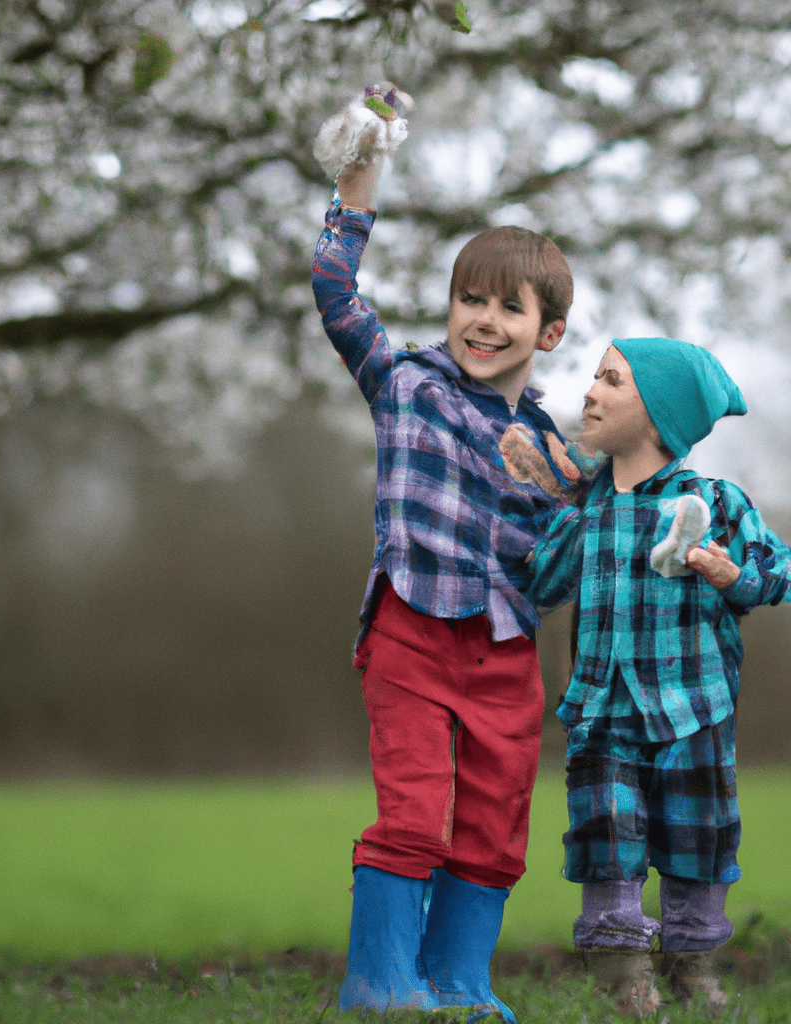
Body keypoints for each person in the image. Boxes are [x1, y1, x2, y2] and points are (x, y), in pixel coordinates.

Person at [311, 84, 590, 1020]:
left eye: (507, 308)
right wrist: (363, 169)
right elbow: (336, 294)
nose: (482, 320)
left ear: (546, 333)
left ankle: (458, 983)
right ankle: (381, 984)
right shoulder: (404, 384)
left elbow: (553, 574)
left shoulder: (555, 453)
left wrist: (571, 505)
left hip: (505, 652)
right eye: (469, 299)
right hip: (411, 628)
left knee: (496, 818)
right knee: (414, 807)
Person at [526, 337, 791, 1018]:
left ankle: (692, 965)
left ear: (659, 418)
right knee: (605, 837)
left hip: (693, 706)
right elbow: (542, 585)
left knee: (697, 836)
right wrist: (564, 508)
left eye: (612, 380)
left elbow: (782, 572)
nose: (589, 391)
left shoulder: (715, 502)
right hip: (602, 708)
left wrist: (737, 577)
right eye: (593, 376)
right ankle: (622, 975)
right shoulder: (588, 508)